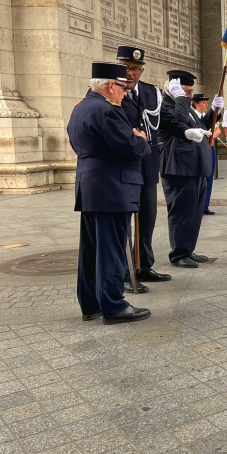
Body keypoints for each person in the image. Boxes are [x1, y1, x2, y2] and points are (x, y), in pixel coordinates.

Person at [68, 61, 151, 324]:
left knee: (91, 250)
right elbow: (129, 147)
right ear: (111, 86)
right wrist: (141, 140)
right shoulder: (108, 111)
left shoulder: (80, 107)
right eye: (123, 88)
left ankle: (90, 304)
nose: (125, 94)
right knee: (112, 250)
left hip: (90, 187)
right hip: (113, 187)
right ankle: (114, 306)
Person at [159, 70, 224, 268]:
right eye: (186, 92)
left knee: (193, 213)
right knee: (181, 213)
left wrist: (214, 111)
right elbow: (177, 122)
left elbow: (200, 125)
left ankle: (188, 249)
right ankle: (179, 253)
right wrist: (180, 98)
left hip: (194, 167)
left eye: (190, 92)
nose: (189, 96)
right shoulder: (165, 104)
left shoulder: (183, 105)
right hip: (178, 167)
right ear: (172, 89)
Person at [118, 45, 168, 294]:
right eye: (126, 68)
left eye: (136, 69)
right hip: (124, 166)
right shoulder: (109, 90)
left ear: (142, 70)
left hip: (147, 165)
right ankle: (125, 272)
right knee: (123, 221)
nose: (131, 73)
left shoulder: (151, 92)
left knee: (147, 216)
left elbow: (167, 120)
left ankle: (143, 265)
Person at [192, 94, 222, 216]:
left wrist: (211, 136)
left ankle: (205, 205)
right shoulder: (191, 116)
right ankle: (195, 205)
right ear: (196, 104)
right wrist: (206, 136)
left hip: (209, 148)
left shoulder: (210, 117)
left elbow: (218, 130)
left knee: (209, 176)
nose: (206, 104)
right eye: (203, 102)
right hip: (197, 150)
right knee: (197, 177)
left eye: (206, 102)